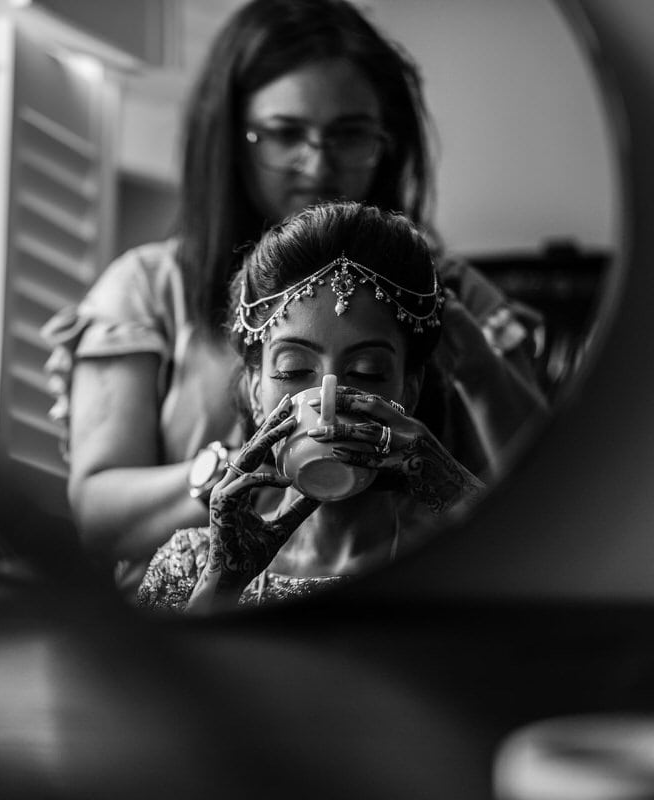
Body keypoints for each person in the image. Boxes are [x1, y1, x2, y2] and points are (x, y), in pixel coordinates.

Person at [40, 0, 546, 601]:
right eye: (285, 134)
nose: (319, 163)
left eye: (350, 134)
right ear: (232, 136)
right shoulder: (149, 289)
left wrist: (479, 376)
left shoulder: (443, 289)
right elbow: (97, 514)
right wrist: (247, 467)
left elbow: (558, 502)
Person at [138, 201, 483, 613]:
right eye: (294, 369)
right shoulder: (191, 564)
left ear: (408, 391)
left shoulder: (456, 564)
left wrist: (457, 494)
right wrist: (221, 585)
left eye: (368, 371)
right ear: (254, 388)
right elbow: (148, 679)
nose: (328, 403)